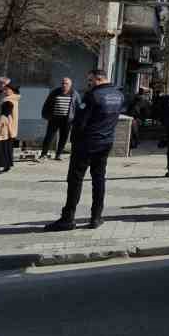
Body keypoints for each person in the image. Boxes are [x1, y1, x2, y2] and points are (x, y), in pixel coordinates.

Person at [44, 68, 126, 231]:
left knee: (75, 180)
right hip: (105, 142)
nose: (88, 84)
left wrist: (74, 141)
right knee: (99, 179)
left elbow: (80, 122)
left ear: (98, 79)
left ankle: (68, 219)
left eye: (90, 81)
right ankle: (96, 217)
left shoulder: (93, 96)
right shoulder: (119, 95)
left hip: (86, 143)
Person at [40, 77, 80, 160]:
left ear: (70, 85)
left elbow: (78, 106)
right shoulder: (55, 92)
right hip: (54, 118)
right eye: (63, 83)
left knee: (63, 137)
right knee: (49, 136)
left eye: (66, 83)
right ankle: (44, 154)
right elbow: (47, 104)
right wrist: (46, 115)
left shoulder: (74, 94)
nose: (64, 85)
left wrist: (77, 118)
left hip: (67, 119)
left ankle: (58, 155)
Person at [0, 82, 21, 173]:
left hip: (4, 128)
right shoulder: (15, 100)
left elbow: (4, 114)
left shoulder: (8, 101)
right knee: (8, 147)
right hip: (11, 127)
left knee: (0, 147)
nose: (4, 91)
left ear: (12, 91)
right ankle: (7, 165)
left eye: (6, 89)